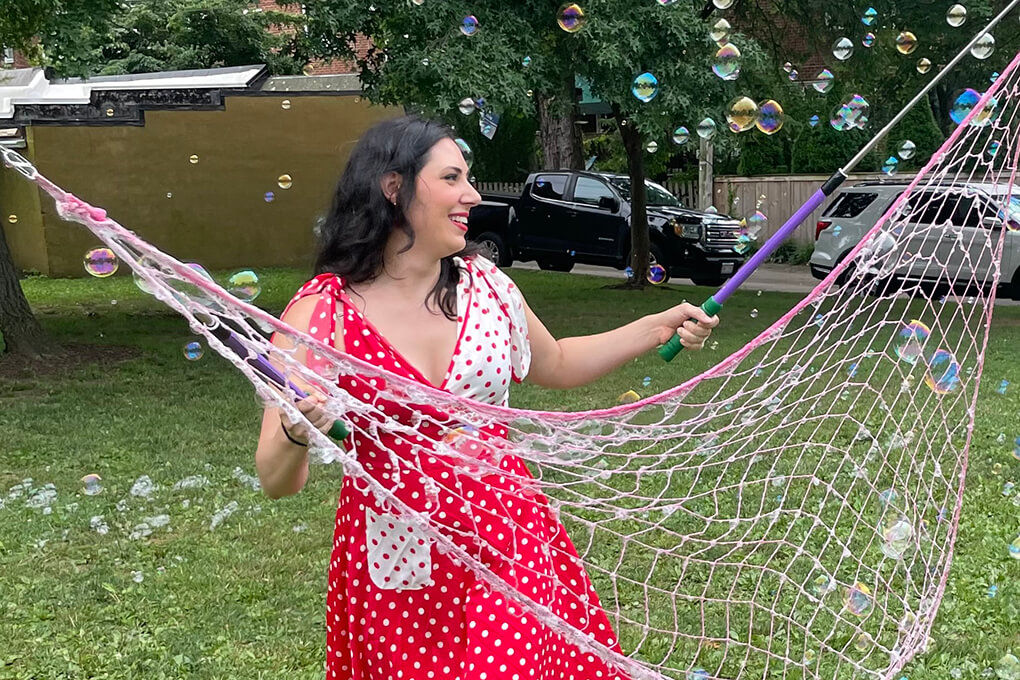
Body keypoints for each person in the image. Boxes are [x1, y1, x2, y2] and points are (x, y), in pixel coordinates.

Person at [254, 115, 719, 679]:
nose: (472, 195)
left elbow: (559, 362)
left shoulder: (486, 285)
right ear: (393, 187)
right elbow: (278, 481)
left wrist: (654, 326)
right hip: (399, 558)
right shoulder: (319, 316)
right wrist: (295, 431)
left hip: (508, 537)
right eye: (452, 178)